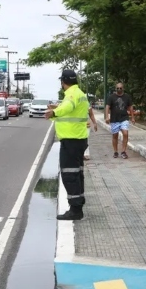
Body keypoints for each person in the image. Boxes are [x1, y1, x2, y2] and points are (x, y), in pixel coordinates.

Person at [46, 69, 89, 220]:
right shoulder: (80, 94)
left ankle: (75, 210)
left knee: (70, 174)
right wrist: (56, 110)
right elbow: (71, 112)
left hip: (71, 141)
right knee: (77, 174)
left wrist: (55, 112)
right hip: (78, 140)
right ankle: (78, 205)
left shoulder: (71, 95)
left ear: (63, 82)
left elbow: (68, 107)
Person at [104, 82, 135, 159]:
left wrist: (132, 117)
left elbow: (130, 107)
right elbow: (107, 106)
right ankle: (115, 151)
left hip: (124, 118)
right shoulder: (111, 97)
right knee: (115, 135)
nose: (119, 89)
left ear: (123, 88)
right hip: (114, 119)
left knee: (125, 133)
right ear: (116, 89)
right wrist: (107, 116)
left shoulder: (127, 97)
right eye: (117, 88)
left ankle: (123, 151)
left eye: (120, 88)